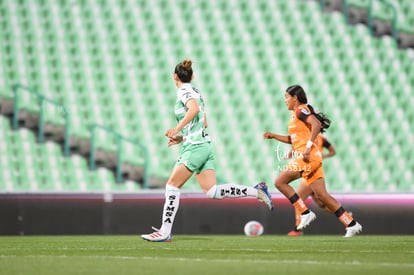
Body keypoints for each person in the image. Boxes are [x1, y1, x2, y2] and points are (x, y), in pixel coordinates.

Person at [141, 59, 273, 242]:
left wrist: (177, 129)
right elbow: (204, 122)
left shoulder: (184, 91)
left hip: (196, 147)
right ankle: (257, 191)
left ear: (174, 77)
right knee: (212, 191)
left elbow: (194, 110)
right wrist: (182, 137)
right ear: (192, 76)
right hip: (203, 144)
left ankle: (165, 231)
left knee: (172, 185)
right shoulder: (196, 91)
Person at [263, 85, 362, 237]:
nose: (285, 100)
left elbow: (317, 124)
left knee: (280, 182)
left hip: (308, 157)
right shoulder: (296, 115)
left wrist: (308, 147)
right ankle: (351, 223)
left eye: (286, 97)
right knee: (322, 196)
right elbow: (294, 139)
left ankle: (305, 212)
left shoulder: (300, 109)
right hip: (312, 158)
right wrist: (274, 136)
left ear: (295, 98)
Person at [287, 134, 336, 236]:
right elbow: (295, 148)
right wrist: (292, 152)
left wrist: (324, 156)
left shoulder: (321, 138)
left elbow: (333, 151)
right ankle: (345, 215)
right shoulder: (303, 137)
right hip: (309, 172)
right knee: (322, 204)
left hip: (312, 172)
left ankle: (297, 229)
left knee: (297, 199)